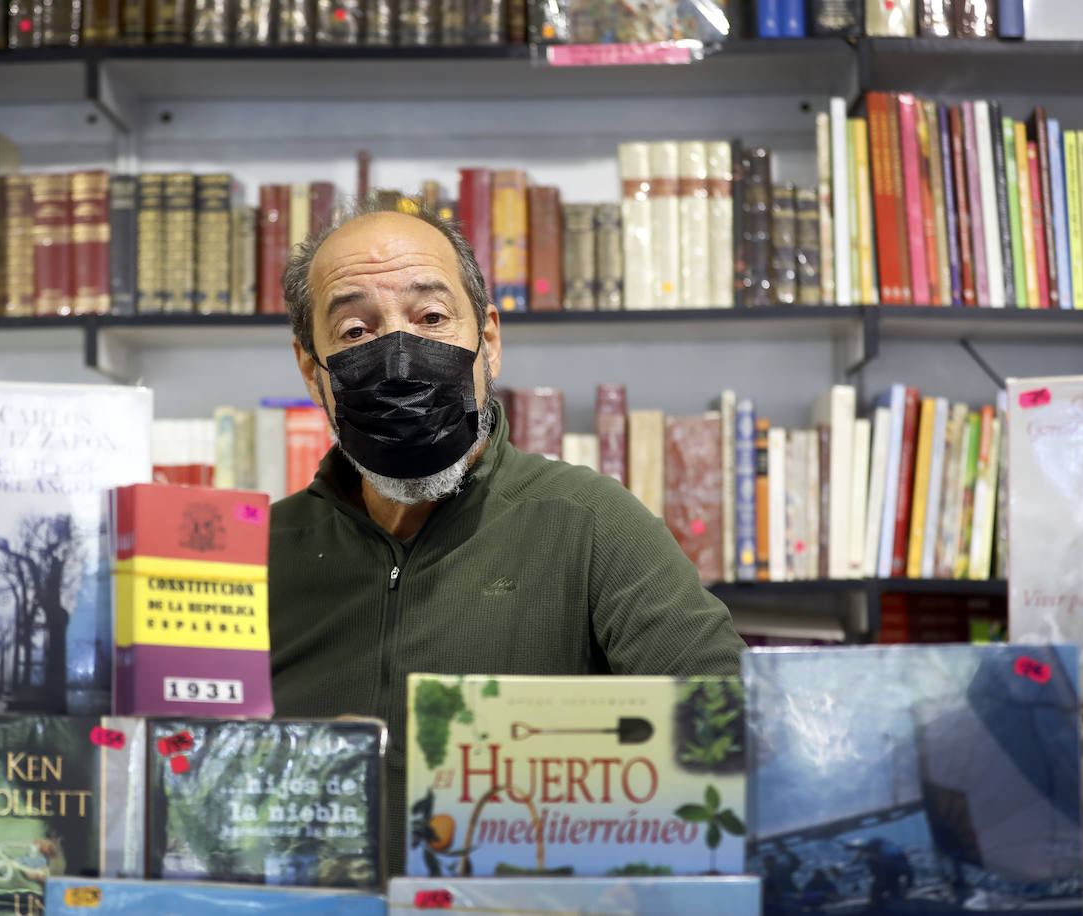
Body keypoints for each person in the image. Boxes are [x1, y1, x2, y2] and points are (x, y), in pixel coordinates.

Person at [267, 201, 746, 872]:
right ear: (310, 367)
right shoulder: (254, 556)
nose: (400, 355)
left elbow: (729, 735)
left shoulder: (593, 524)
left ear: (488, 340)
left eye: (432, 318)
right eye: (354, 329)